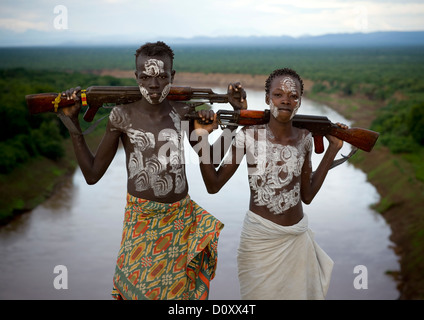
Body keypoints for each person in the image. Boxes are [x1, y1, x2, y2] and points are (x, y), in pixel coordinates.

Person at [59, 41, 246, 300]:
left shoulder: (183, 113)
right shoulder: (121, 116)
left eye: (162, 77)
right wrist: (72, 124)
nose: (154, 85)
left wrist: (235, 118)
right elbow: (91, 175)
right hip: (141, 225)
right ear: (136, 77)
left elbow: (211, 161)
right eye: (146, 77)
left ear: (173, 77)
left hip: (180, 225)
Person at [194, 67, 347, 300]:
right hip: (259, 243)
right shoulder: (248, 135)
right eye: (278, 94)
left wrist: (332, 150)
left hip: (296, 240)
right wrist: (203, 139)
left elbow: (307, 195)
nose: (285, 100)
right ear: (267, 98)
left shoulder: (305, 138)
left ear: (300, 101)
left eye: (293, 96)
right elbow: (213, 185)